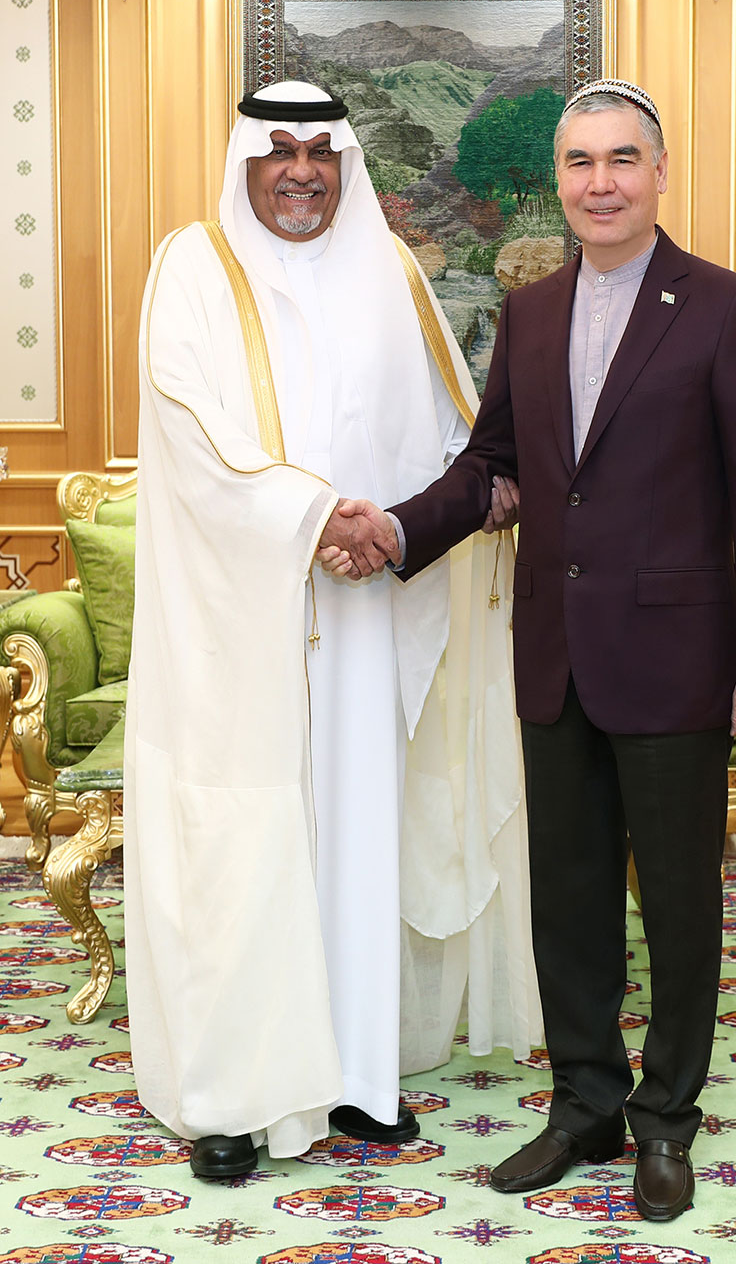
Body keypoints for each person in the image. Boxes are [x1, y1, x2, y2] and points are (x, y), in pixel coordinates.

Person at [323, 78, 736, 1222]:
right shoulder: (531, 316)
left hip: (681, 661)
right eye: (581, 162)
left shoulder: (726, 307)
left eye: (622, 159)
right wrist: (396, 529)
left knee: (681, 905)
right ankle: (585, 1104)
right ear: (561, 177)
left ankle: (666, 1120)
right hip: (556, 654)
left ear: (660, 172)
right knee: (569, 899)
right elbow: (496, 469)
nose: (600, 182)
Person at [124, 80, 541, 1182]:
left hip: (363, 618)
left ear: (346, 162)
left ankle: (356, 1077)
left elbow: (454, 431)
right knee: (244, 848)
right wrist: (316, 516)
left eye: (321, 151)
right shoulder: (191, 271)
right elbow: (189, 430)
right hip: (239, 627)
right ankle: (233, 1097)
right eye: (279, 151)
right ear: (245, 160)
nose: (300, 170)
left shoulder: (391, 274)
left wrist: (395, 529)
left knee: (358, 837)